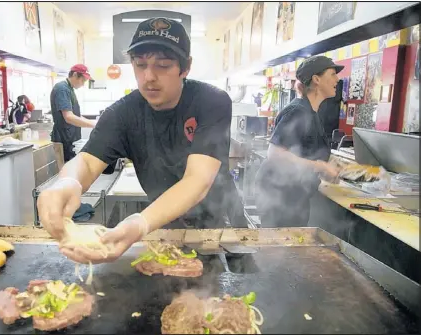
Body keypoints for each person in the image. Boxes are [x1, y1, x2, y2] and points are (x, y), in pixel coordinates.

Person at [37, 17, 245, 264]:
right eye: (140, 64)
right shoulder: (123, 113)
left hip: (222, 225)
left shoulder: (211, 102)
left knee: (229, 294)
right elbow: (88, 161)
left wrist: (140, 222)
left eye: (163, 65)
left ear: (185, 67)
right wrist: (68, 182)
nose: (149, 77)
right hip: (164, 222)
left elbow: (197, 181)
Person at [254, 56, 343, 228]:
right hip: (279, 195)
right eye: (332, 74)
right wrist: (319, 166)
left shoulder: (312, 112)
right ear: (317, 79)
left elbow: (305, 152)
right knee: (281, 248)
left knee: (290, 247)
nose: (337, 79)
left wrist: (325, 169)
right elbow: (275, 154)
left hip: (293, 194)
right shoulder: (297, 111)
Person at [50, 64, 96, 162]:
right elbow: (69, 117)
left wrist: (96, 123)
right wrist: (93, 125)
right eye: (83, 80)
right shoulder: (62, 89)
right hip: (63, 139)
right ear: (75, 75)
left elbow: (76, 116)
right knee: (65, 173)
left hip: (70, 138)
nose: (83, 84)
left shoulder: (69, 89)